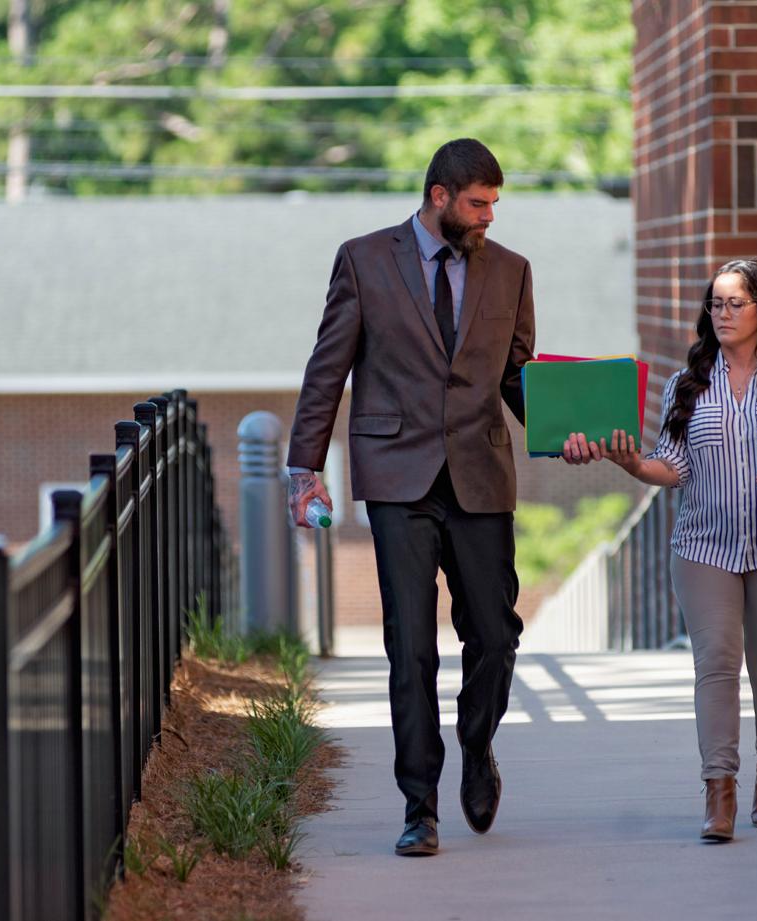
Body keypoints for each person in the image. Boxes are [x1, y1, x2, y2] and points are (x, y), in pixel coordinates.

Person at [286, 139, 535, 857]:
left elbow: (517, 377)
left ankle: (477, 742)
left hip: (480, 474)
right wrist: (306, 470)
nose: (489, 216)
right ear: (438, 196)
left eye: (494, 203)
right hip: (396, 473)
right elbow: (326, 368)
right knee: (410, 648)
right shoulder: (364, 260)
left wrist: (562, 431)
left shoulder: (512, 271)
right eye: (477, 203)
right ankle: (418, 805)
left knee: (495, 633)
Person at [562, 258, 757, 842]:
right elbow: (675, 464)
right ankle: (719, 791)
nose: (722, 313)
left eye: (735, 303)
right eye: (715, 304)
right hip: (703, 548)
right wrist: (634, 464)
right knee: (716, 663)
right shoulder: (686, 383)